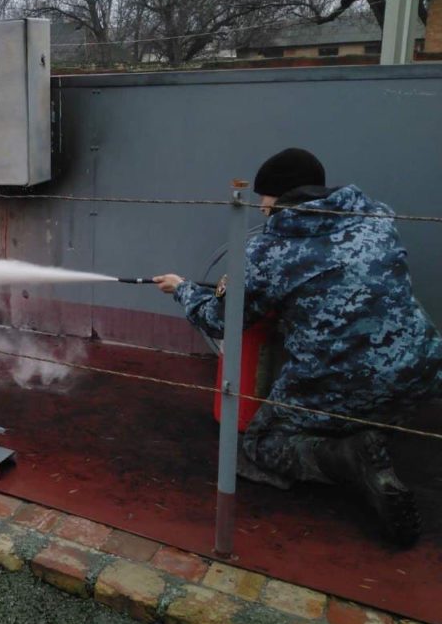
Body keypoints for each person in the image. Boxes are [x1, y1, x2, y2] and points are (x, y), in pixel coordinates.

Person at [154, 148, 441, 547]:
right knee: (369, 395)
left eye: (264, 200)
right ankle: (366, 430)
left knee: (259, 445)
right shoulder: (376, 217)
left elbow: (223, 320)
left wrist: (183, 289)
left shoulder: (272, 249)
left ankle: (348, 459)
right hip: (422, 375)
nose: (261, 209)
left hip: (344, 383)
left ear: (281, 196)